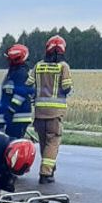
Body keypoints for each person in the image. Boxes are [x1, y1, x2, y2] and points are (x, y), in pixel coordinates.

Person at [27, 36, 73, 183]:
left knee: (44, 143)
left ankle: (49, 169)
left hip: (39, 113)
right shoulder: (63, 66)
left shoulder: (38, 66)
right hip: (55, 113)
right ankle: (45, 173)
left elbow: (28, 84)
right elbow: (66, 88)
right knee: (52, 143)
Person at [0, 44, 34, 138]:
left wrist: (10, 110)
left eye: (9, 59)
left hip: (19, 117)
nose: (7, 61)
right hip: (12, 118)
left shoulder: (21, 74)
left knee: (14, 145)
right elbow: (6, 97)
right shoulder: (13, 73)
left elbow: (20, 95)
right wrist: (0, 121)